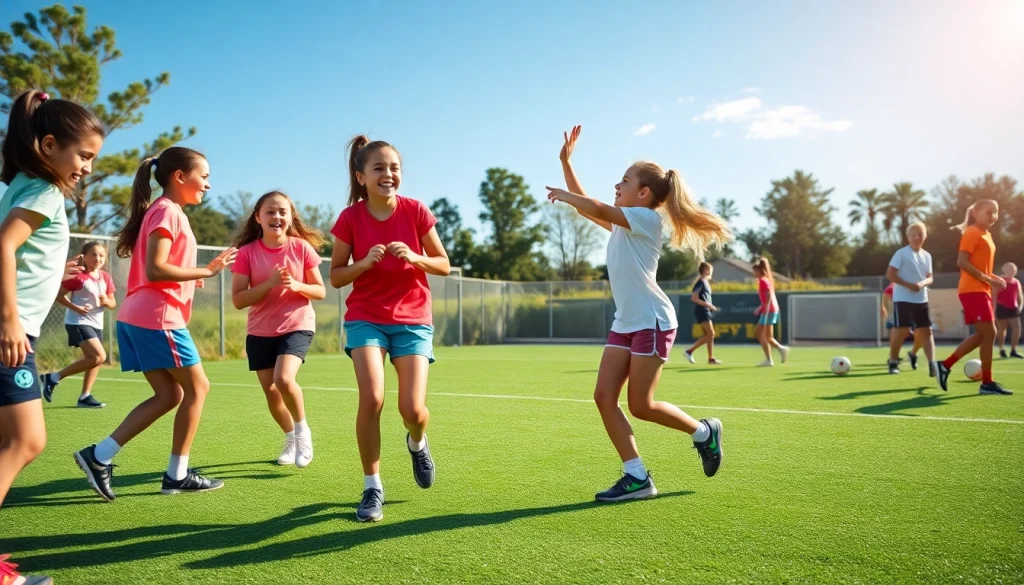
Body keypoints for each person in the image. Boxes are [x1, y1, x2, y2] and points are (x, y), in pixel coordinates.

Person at [549, 124, 729, 502]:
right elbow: (591, 206)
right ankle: (637, 475)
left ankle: (703, 432)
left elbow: (591, 205)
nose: (617, 186)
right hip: (627, 322)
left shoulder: (647, 220)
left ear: (644, 193)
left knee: (641, 405)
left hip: (653, 320)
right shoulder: (624, 225)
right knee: (603, 396)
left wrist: (566, 196)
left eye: (625, 181)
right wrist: (567, 164)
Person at [75, 147, 238, 501]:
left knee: (170, 394)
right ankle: (176, 475)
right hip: (157, 317)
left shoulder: (162, 211)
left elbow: (159, 269)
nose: (208, 185)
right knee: (198, 389)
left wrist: (190, 279)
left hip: (137, 315)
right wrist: (207, 269)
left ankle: (99, 456)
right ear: (179, 177)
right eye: (204, 176)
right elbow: (155, 269)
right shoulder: (168, 212)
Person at [0, 89, 103, 585]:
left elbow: (22, 254)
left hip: (16, 326)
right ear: (46, 145)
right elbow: (3, 246)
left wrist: (53, 273)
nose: (86, 166)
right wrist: (9, 320)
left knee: (13, 440)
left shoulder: (21, 182)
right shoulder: (43, 190)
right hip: (10, 334)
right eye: (83, 155)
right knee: (27, 440)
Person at [329, 135, 450, 522]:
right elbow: (335, 277)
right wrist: (363, 264)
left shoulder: (416, 211)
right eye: (379, 168)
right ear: (361, 176)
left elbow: (444, 264)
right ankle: (371, 487)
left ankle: (417, 442)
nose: (388, 174)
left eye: (394, 168)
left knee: (412, 409)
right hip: (365, 316)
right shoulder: (349, 218)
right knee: (373, 399)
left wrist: (415, 256)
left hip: (413, 318)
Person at [231, 191, 326, 467]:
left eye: (283, 212)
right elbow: (238, 299)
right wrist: (270, 283)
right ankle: (289, 438)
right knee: (272, 392)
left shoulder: (301, 248)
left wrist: (297, 286)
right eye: (270, 212)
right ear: (258, 217)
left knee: (284, 380)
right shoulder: (247, 253)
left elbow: (319, 290)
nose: (277, 217)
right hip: (260, 331)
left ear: (290, 217)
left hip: (297, 324)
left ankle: (302, 431)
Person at [935, 200, 1012, 395]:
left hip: (981, 289)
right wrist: (988, 278)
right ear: (976, 213)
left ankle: (945, 366)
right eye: (988, 212)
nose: (993, 216)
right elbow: (962, 262)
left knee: (984, 334)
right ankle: (986, 382)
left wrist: (993, 278)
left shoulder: (987, 235)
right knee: (990, 332)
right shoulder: (972, 232)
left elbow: (981, 267)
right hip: (972, 290)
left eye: (996, 212)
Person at [40, 241, 116, 407]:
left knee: (95, 359)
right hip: (78, 322)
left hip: (97, 323)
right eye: (94, 254)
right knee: (99, 356)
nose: (98, 258)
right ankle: (53, 377)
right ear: (84, 256)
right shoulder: (78, 276)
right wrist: (76, 307)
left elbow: (113, 303)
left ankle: (85, 397)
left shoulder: (106, 277)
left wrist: (106, 301)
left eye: (102, 255)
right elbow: (58, 295)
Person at [884, 223, 936, 377]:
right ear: (908, 237)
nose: (916, 237)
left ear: (925, 236)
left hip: (921, 299)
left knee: (927, 331)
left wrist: (922, 284)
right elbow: (890, 275)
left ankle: (932, 364)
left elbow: (930, 277)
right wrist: (908, 285)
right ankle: (893, 362)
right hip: (903, 299)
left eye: (920, 234)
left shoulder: (927, 256)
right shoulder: (901, 254)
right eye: (913, 234)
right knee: (902, 331)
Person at [752, 257, 789, 366]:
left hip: (769, 311)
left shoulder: (763, 281)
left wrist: (765, 311)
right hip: (771, 310)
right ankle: (779, 351)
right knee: (768, 336)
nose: (754, 273)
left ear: (759, 270)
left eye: (755, 271)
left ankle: (770, 358)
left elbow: (768, 298)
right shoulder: (764, 280)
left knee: (759, 333)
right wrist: (760, 307)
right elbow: (766, 299)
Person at [683, 261, 721, 364]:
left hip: (705, 311)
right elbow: (694, 298)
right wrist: (709, 305)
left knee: (709, 334)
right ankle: (689, 351)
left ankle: (710, 358)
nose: (711, 272)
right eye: (710, 269)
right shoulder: (700, 282)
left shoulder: (705, 282)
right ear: (706, 270)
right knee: (711, 334)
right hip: (702, 311)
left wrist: (710, 306)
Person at [995, 262, 1022, 359]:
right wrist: (993, 311)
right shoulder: (999, 280)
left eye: (1014, 270)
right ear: (1005, 269)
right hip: (1001, 307)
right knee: (1002, 330)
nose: (1012, 271)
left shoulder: (1016, 282)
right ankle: (1001, 349)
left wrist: (1020, 306)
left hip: (1013, 308)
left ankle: (1013, 350)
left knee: (1017, 329)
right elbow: (994, 296)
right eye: (1010, 269)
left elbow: (1020, 296)